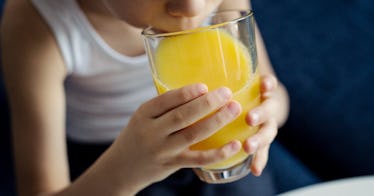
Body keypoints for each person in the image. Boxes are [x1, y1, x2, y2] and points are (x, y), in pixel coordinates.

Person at [1, 0, 291, 195]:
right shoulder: (36, 23)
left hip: (223, 143)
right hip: (107, 164)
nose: (193, 7)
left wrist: (268, 113)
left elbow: (275, 94)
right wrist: (125, 169)